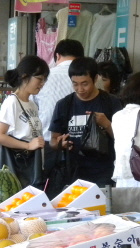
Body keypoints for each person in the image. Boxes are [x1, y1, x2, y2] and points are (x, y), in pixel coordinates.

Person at [49, 57, 122, 187]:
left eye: (85, 83)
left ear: (95, 79)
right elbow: (53, 141)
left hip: (105, 172)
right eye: (75, 84)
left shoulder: (111, 103)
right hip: (74, 172)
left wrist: (107, 124)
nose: (80, 89)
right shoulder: (64, 105)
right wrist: (61, 144)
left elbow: (123, 140)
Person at [0, 55, 50, 188]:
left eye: (44, 80)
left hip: (31, 167)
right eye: (39, 79)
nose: (42, 84)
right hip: (18, 168)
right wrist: (28, 146)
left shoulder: (32, 104)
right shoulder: (12, 102)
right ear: (25, 76)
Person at [33, 39, 84, 177]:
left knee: (45, 188)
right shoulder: (87, 79)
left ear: (57, 56)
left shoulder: (43, 77)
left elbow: (32, 109)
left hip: (46, 143)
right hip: (80, 145)